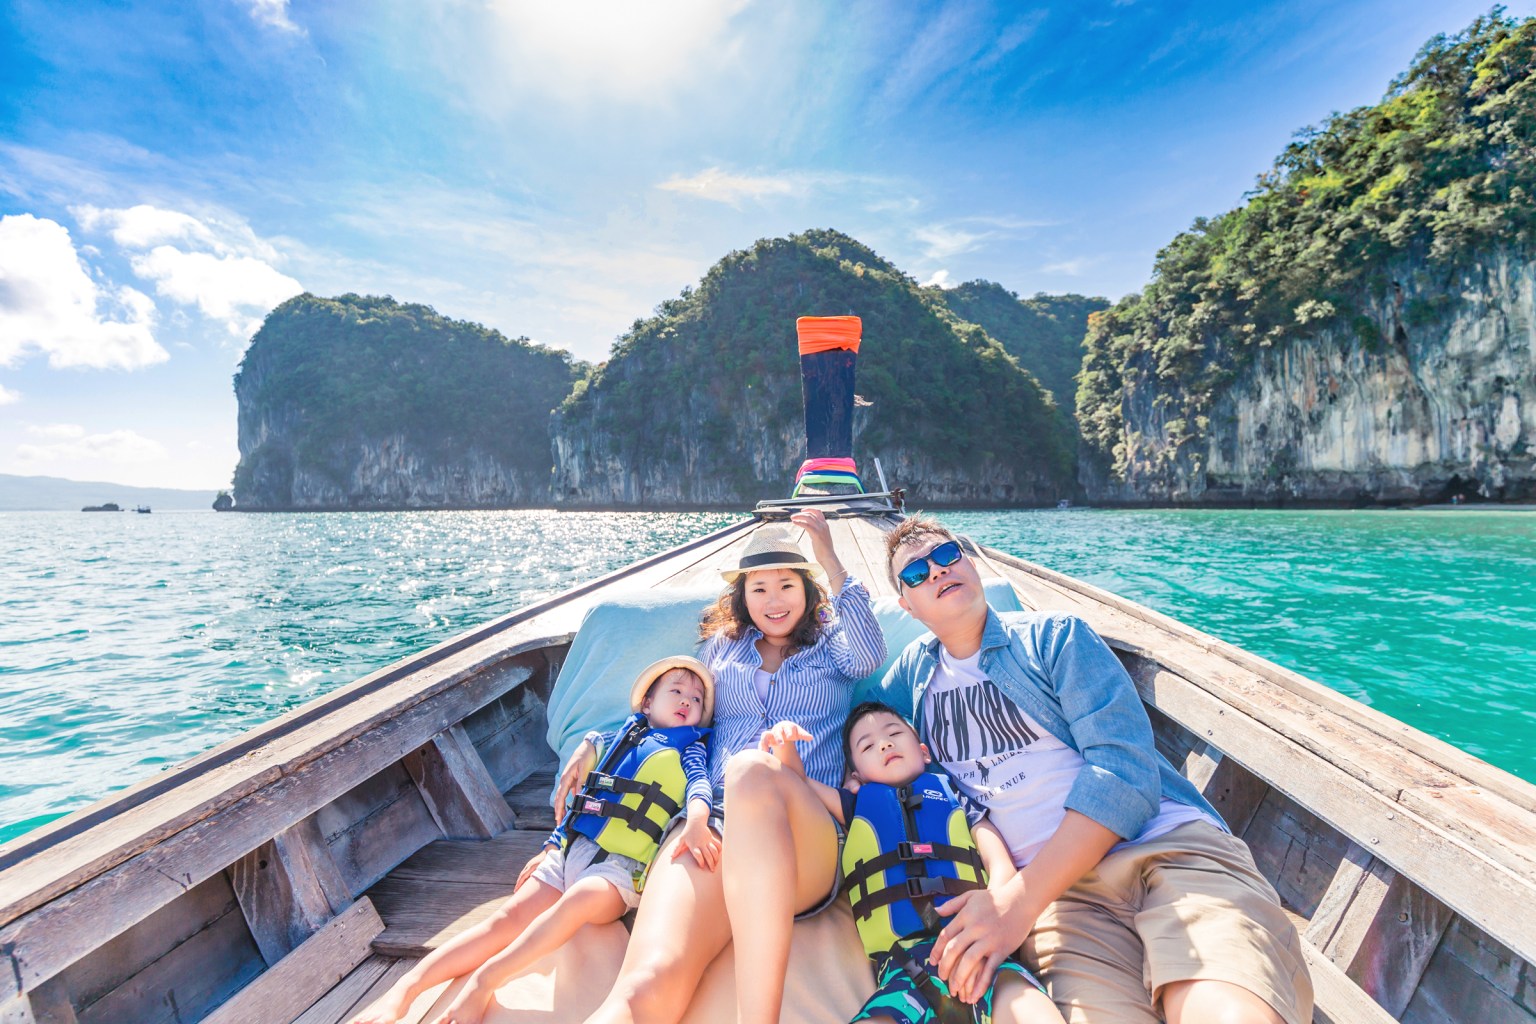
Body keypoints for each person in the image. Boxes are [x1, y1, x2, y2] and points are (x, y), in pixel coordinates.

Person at [870, 515, 1313, 1024]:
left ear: (969, 563)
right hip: (1064, 907)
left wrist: (1014, 905)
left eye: (947, 556)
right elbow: (849, 703)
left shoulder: (1053, 637)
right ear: (906, 605)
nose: (936, 571)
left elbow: (1124, 772)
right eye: (915, 573)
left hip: (1161, 850)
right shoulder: (913, 675)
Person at [583, 509, 887, 1024]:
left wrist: (829, 558)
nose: (774, 601)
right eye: (759, 588)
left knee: (750, 768)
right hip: (714, 829)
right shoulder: (719, 651)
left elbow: (869, 652)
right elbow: (673, 714)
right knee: (645, 985)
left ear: (809, 592)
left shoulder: (833, 651)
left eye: (787, 585)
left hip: (803, 831)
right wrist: (592, 741)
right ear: (742, 598)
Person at [351, 658, 717, 1024]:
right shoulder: (616, 738)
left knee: (578, 901)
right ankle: (407, 988)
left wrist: (698, 821)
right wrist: (552, 846)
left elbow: (700, 787)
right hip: (572, 850)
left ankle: (485, 980)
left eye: (697, 699)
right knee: (507, 918)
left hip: (617, 871)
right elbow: (584, 801)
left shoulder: (691, 750)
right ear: (648, 704)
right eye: (677, 691)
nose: (687, 700)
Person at [759, 702, 1065, 1024]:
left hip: (980, 955)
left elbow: (1001, 866)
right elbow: (797, 784)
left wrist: (995, 911)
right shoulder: (855, 805)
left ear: (924, 752)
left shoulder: (954, 797)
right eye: (867, 745)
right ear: (856, 775)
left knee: (1026, 1003)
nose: (884, 743)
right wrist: (785, 745)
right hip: (904, 972)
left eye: (894, 733)